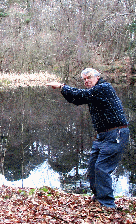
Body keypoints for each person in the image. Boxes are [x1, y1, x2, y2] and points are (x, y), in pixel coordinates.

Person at [46, 68, 129, 209]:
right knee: (92, 168)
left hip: (116, 133)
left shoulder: (104, 88)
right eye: (84, 79)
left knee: (102, 169)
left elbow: (81, 95)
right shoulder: (94, 93)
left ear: (97, 77)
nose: (86, 81)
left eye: (88, 78)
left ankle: (108, 205)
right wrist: (62, 90)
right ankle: (99, 198)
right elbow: (77, 99)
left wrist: (62, 86)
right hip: (102, 135)